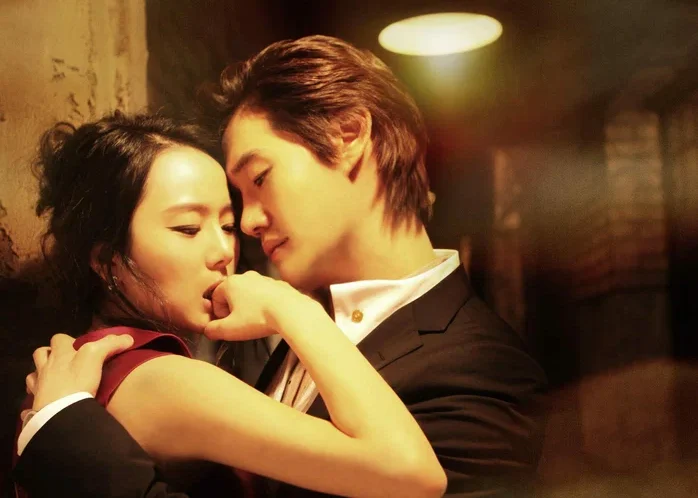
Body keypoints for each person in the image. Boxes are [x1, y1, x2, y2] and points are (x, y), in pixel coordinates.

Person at [15, 35, 548, 497]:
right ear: (106, 259)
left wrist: (65, 435)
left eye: (260, 179)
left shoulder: (486, 372)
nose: (245, 228)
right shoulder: (224, 346)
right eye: (189, 226)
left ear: (347, 135)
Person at [9, 112, 446, 498]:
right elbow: (412, 471)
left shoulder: (98, 364)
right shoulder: (161, 379)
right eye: (187, 228)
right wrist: (291, 309)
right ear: (108, 261)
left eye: (227, 225)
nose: (223, 252)